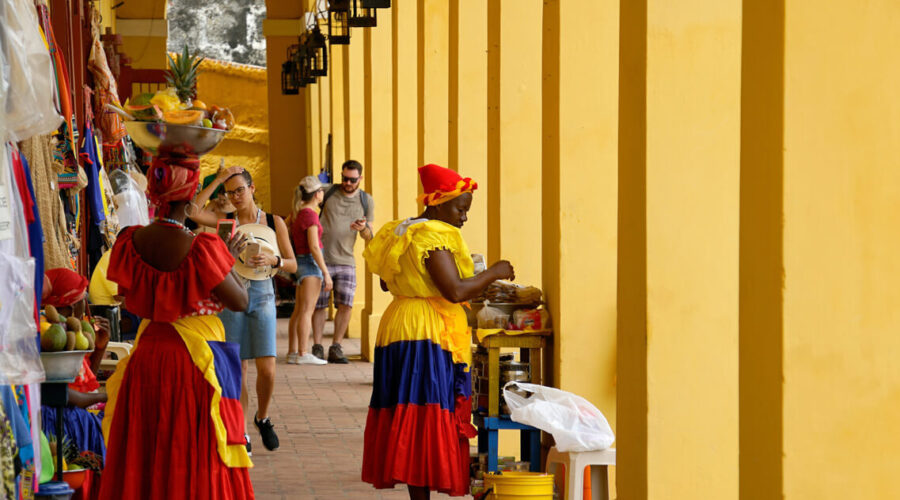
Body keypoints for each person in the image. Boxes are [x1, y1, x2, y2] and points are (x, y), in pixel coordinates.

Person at [99, 154, 254, 499]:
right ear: (191, 195)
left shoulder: (130, 241)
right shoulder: (203, 247)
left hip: (149, 354)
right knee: (192, 450)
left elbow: (128, 295)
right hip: (192, 361)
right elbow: (240, 301)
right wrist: (225, 258)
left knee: (149, 447)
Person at [361, 164, 515, 499]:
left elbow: (388, 282)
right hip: (425, 330)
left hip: (400, 322)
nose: (464, 217)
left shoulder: (402, 231)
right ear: (437, 204)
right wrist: (494, 272)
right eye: (460, 209)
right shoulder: (433, 234)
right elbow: (455, 291)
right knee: (424, 410)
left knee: (412, 409)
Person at [189, 166, 298, 453]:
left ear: (252, 189)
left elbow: (293, 263)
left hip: (262, 295)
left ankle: (262, 417)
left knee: (268, 367)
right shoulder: (226, 222)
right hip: (234, 294)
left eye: (240, 190)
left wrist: (274, 261)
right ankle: (241, 431)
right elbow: (192, 210)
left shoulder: (274, 222)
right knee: (238, 368)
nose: (235, 196)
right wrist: (219, 180)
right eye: (230, 191)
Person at [311, 160, 374, 364]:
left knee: (345, 305)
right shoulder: (327, 192)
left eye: (352, 180)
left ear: (360, 179)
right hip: (321, 257)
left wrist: (362, 228)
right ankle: (317, 346)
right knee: (319, 305)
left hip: (346, 260)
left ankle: (336, 347)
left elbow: (369, 235)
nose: (347, 183)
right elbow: (307, 206)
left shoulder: (366, 200)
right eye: (344, 178)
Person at [287, 177, 332, 365]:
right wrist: (326, 272)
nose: (323, 193)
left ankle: (292, 352)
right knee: (307, 311)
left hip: (300, 261)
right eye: (321, 190)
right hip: (310, 263)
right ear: (317, 194)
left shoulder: (297, 212)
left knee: (298, 311)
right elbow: (314, 246)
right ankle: (303, 353)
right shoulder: (311, 215)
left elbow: (287, 228)